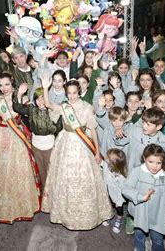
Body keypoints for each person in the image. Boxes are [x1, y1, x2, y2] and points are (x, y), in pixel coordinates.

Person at [41, 77, 113, 230]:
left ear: (79, 92)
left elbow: (93, 129)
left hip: (82, 145)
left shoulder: (87, 107)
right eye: (69, 93)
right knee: (64, 178)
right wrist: (45, 87)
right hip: (65, 142)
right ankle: (65, 214)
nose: (72, 96)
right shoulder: (64, 106)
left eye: (75, 93)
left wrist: (97, 152)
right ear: (66, 94)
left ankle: (87, 214)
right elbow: (48, 104)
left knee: (85, 179)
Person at [0, 74, 40, 224]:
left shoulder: (21, 96)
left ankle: (22, 204)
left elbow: (28, 111)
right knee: (2, 170)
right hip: (1, 136)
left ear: (12, 84)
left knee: (19, 171)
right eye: (1, 85)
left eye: (7, 84)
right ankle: (5, 205)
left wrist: (20, 95)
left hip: (17, 136)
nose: (4, 88)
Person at [121, 144, 165, 251]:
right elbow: (125, 189)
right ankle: (139, 248)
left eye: (159, 163)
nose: (155, 166)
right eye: (151, 162)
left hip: (159, 214)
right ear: (144, 158)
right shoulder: (137, 172)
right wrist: (140, 197)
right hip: (141, 212)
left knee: (158, 238)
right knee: (139, 234)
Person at [12, 86, 62, 189]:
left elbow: (56, 129)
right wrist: (19, 94)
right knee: (40, 172)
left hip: (50, 146)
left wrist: (46, 113)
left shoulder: (53, 111)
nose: (40, 101)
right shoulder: (31, 109)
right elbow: (16, 108)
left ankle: (53, 194)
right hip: (36, 145)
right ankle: (44, 196)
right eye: (38, 98)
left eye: (43, 98)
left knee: (51, 172)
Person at [101, 148, 128, 234]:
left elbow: (123, 188)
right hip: (107, 191)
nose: (105, 158)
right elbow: (100, 162)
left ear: (113, 163)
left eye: (108, 158)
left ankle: (119, 220)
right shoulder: (106, 164)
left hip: (117, 196)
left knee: (119, 208)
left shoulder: (121, 176)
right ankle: (109, 216)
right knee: (109, 205)